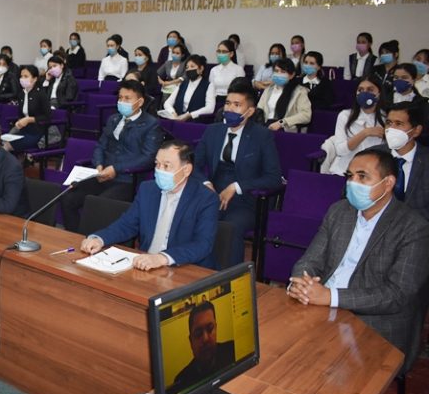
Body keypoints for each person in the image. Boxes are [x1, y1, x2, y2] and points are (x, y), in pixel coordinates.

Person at [288, 148, 429, 358]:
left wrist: (331, 296)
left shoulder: (414, 227)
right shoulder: (339, 211)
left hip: (374, 322)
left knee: (315, 361)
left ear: (388, 183)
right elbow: (310, 260)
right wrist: (302, 284)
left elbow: (397, 295)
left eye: (362, 177)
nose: (353, 183)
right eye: (350, 176)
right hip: (320, 306)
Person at [79, 140, 219, 270]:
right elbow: (127, 224)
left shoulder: (206, 198)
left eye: (166, 166)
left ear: (186, 169)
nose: (160, 170)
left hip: (184, 267)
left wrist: (163, 258)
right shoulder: (148, 189)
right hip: (146, 265)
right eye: (157, 164)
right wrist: (100, 239)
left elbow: (202, 244)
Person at [194, 78, 283, 267]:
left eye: (237, 105)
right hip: (213, 195)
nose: (230, 109)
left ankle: (228, 277)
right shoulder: (212, 131)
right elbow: (193, 165)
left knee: (230, 227)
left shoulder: (262, 136)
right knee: (195, 217)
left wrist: (237, 187)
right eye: (227, 103)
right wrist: (206, 184)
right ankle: (197, 273)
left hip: (247, 200)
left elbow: (274, 178)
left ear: (249, 111)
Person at [61, 79, 163, 232]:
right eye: (120, 98)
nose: (122, 102)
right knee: (68, 198)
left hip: (128, 179)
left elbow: (148, 158)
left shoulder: (151, 124)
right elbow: (100, 146)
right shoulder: (113, 119)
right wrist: (99, 165)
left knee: (99, 204)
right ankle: (75, 236)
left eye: (127, 98)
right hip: (102, 174)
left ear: (140, 102)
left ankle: (91, 240)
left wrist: (116, 169)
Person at [170, 301, 236, 393]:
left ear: (216, 329)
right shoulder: (182, 380)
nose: (205, 339)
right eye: (198, 333)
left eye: (210, 329)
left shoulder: (233, 350)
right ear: (191, 341)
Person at [325, 75, 385, 176]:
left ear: (379, 94)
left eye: (370, 90)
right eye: (360, 90)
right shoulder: (345, 115)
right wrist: (365, 133)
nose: (364, 93)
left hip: (373, 173)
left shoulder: (386, 119)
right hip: (345, 170)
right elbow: (340, 150)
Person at [385, 102, 429, 221]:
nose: (391, 129)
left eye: (399, 124)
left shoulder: (426, 160)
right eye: (388, 123)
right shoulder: (372, 156)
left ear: (416, 130)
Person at [257, 58, 312, 132]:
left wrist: (282, 122)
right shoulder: (268, 90)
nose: (278, 74)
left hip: (285, 129)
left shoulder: (300, 91)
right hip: (266, 126)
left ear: (291, 75)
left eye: (283, 72)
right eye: (276, 71)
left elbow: (306, 115)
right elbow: (259, 109)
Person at [3, 65, 50, 152]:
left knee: (7, 145)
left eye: (26, 76)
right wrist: (19, 121)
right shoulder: (22, 94)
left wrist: (29, 119)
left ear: (35, 79)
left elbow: (47, 116)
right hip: (23, 129)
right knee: (2, 141)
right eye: (21, 76)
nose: (22, 79)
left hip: (37, 131)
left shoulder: (41, 94)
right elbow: (21, 114)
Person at [158, 54, 215, 121]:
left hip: (196, 122)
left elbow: (210, 108)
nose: (189, 69)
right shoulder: (182, 84)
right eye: (187, 67)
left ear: (201, 68)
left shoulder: (208, 85)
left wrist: (190, 115)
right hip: (178, 119)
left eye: (192, 66)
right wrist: (173, 112)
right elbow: (167, 103)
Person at [210, 40, 246, 107]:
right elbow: (211, 90)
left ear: (231, 54)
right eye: (219, 51)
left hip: (232, 103)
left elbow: (241, 91)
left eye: (224, 52)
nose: (221, 54)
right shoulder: (214, 70)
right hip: (215, 101)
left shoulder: (238, 69)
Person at [156, 43, 190, 107]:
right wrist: (161, 81)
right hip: (168, 88)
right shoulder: (168, 63)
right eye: (173, 52)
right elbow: (157, 73)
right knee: (165, 101)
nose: (174, 55)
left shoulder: (185, 64)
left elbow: (184, 77)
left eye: (177, 53)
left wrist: (169, 83)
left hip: (180, 87)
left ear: (182, 55)